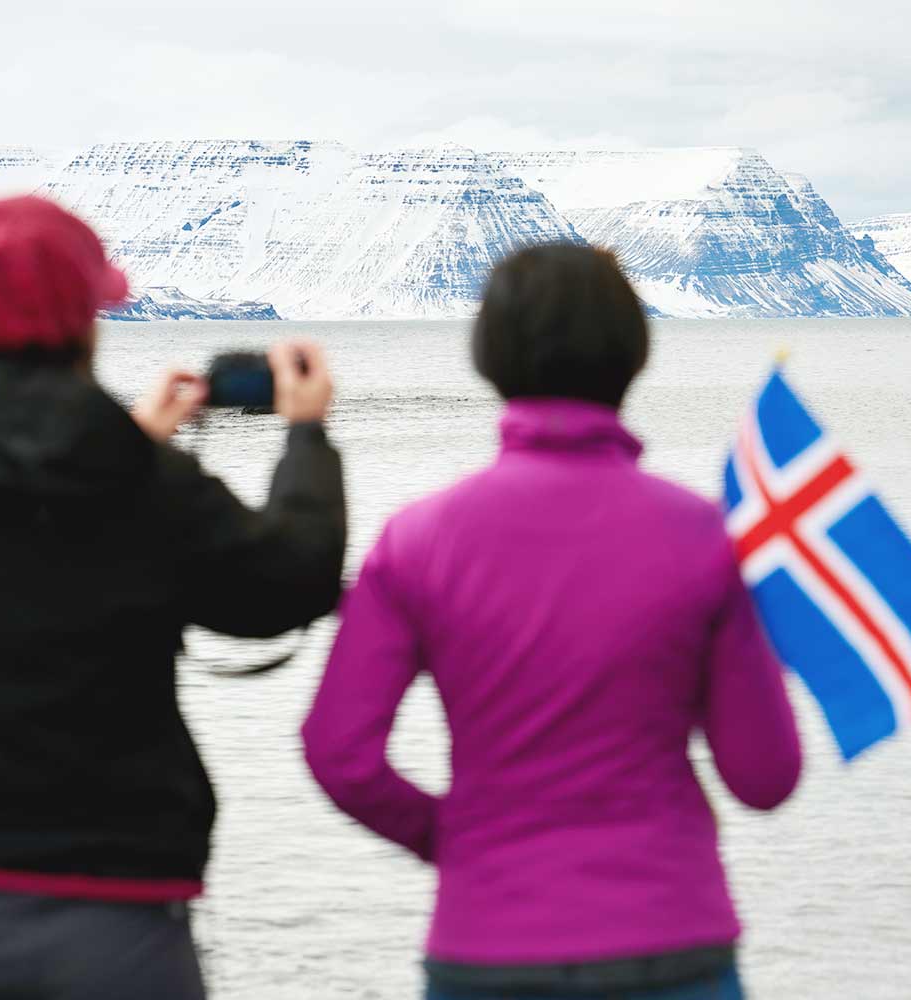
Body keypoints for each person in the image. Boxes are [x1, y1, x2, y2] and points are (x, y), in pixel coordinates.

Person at [0, 196, 346, 1000]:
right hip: (123, 909)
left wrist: (126, 447)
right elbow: (289, 584)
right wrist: (306, 436)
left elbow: (15, 531)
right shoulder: (148, 490)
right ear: (87, 321)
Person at [302, 244, 802, 999]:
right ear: (634, 355)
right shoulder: (702, 536)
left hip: (488, 943)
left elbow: (341, 754)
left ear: (488, 357)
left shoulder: (417, 541)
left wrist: (453, 837)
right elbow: (764, 777)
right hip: (670, 938)